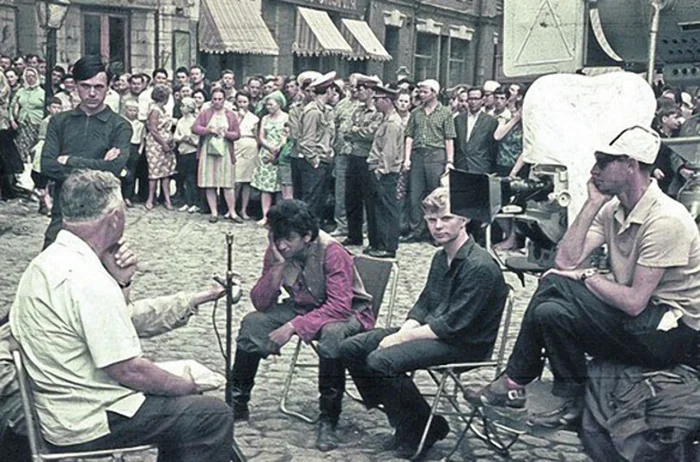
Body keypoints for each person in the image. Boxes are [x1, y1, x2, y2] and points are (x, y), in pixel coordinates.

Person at [474, 125, 700, 430]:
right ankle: (573, 399)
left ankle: (515, 378)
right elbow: (565, 260)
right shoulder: (613, 208)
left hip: (671, 334)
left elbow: (633, 302)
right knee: (549, 311)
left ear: (631, 165)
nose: (594, 170)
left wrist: (586, 276)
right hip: (642, 319)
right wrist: (592, 203)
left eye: (604, 162)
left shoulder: (666, 219)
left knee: (556, 283)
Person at [9, 169, 235, 461]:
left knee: (186, 407)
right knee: (211, 414)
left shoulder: (47, 262)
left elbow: (117, 321)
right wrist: (185, 385)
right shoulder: (86, 278)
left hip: (61, 406)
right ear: (114, 217)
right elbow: (128, 370)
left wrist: (122, 282)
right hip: (85, 420)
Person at [340, 187, 508, 458]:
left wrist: (401, 338)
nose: (438, 226)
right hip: (435, 331)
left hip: (465, 343)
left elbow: (454, 325)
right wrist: (406, 328)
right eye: (431, 220)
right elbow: (425, 303)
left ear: (464, 219)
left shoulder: (479, 266)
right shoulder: (441, 257)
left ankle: (418, 428)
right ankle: (414, 421)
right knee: (351, 348)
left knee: (381, 361)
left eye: (446, 218)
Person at [229, 199, 375, 451]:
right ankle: (236, 404)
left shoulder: (332, 251)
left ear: (307, 236)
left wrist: (292, 327)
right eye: (276, 238)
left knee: (332, 334)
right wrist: (277, 267)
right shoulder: (278, 252)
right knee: (253, 323)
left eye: (288, 239)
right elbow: (261, 303)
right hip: (304, 305)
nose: (281, 245)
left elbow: (340, 306)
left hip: (349, 313)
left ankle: (329, 418)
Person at [41, 55, 132, 249]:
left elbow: (115, 168)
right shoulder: (59, 122)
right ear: (75, 85)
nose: (92, 93)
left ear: (109, 87)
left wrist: (69, 160)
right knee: (51, 262)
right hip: (63, 214)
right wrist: (99, 167)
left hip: (103, 216)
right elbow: (47, 165)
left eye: (98, 87)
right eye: (85, 86)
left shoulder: (120, 126)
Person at [402, 79, 456, 243]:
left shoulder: (445, 113)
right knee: (415, 194)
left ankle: (436, 232)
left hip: (436, 155)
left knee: (436, 195)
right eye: (420, 91)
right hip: (418, 155)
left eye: (425, 92)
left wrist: (449, 161)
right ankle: (416, 230)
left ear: (434, 93)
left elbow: (449, 138)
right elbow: (409, 136)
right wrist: (407, 158)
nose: (421, 94)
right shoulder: (416, 113)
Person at [342, 75, 383, 249]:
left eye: (361, 89)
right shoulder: (357, 110)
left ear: (370, 91)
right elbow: (345, 130)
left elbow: (371, 134)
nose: (357, 92)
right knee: (351, 197)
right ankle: (354, 235)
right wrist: (356, 131)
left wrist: (355, 131)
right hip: (354, 156)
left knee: (370, 200)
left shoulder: (378, 112)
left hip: (369, 158)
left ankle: (374, 239)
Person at [365, 85, 404, 258]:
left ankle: (388, 247)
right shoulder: (386, 120)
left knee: (386, 210)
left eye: (377, 99)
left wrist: (381, 170)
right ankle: (380, 243)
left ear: (387, 101)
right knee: (379, 209)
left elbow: (389, 151)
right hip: (379, 169)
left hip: (385, 172)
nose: (375, 102)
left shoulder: (392, 123)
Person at [192, 87, 241, 223]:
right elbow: (195, 128)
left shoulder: (231, 115)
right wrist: (208, 130)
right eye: (214, 99)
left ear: (224, 100)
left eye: (220, 99)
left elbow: (237, 134)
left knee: (227, 183)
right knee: (210, 182)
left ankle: (232, 211)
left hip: (225, 151)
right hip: (208, 150)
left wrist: (226, 133)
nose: (217, 101)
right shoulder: (205, 113)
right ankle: (214, 212)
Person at [296, 72, 338, 221]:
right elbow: (307, 140)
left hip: (325, 160)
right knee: (311, 200)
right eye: (333, 89)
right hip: (314, 162)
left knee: (320, 200)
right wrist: (314, 160)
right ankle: (305, 230)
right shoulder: (313, 112)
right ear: (328, 91)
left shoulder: (326, 110)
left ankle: (314, 228)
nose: (334, 93)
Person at [251, 91, 287, 226]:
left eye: (271, 104)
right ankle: (265, 215)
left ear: (279, 104)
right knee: (265, 188)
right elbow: (261, 136)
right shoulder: (265, 118)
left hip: (280, 153)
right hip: (266, 153)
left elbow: (286, 136)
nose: (269, 107)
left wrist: (278, 148)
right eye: (267, 105)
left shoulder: (286, 118)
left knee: (280, 187)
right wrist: (269, 147)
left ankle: (280, 218)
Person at [453, 87, 499, 175]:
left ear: (482, 100)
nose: (473, 102)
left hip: (480, 167)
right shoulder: (458, 119)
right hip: (460, 167)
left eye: (476, 99)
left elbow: (493, 149)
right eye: (470, 99)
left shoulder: (491, 121)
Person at [144, 84, 176, 211]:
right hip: (155, 144)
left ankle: (167, 200)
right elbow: (153, 130)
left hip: (166, 142)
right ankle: (150, 198)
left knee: (165, 173)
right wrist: (163, 144)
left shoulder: (162, 109)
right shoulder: (155, 110)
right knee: (154, 173)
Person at [232, 91, 259, 219]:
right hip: (237, 145)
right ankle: (232, 208)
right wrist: (240, 118)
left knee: (247, 180)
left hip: (250, 147)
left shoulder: (254, 118)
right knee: (236, 180)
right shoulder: (232, 116)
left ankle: (244, 209)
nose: (242, 104)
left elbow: (256, 135)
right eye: (240, 102)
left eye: (244, 102)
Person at [10, 67, 45, 167]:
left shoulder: (42, 92)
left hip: (37, 124)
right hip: (22, 124)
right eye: (28, 76)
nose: (30, 78)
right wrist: (12, 120)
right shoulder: (20, 91)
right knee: (21, 148)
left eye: (32, 76)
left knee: (34, 150)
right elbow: (12, 106)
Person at [173, 97, 200, 213]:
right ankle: (187, 201)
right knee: (183, 177)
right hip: (182, 151)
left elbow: (197, 139)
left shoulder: (195, 121)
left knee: (191, 178)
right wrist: (181, 138)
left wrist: (190, 140)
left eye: (183, 106)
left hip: (192, 152)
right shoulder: (181, 121)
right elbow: (175, 136)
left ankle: (195, 202)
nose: (181, 108)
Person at [122, 100, 145, 207]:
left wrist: (139, 150)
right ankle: (120, 195)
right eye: (130, 110)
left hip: (134, 147)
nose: (132, 112)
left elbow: (142, 139)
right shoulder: (121, 121)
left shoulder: (140, 124)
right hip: (123, 147)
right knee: (121, 172)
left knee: (131, 173)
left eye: (134, 110)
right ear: (126, 110)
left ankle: (128, 196)